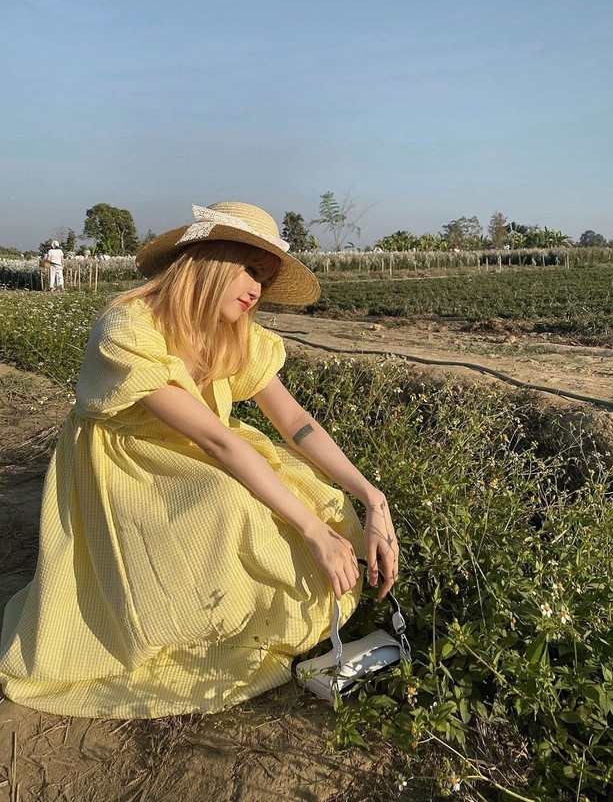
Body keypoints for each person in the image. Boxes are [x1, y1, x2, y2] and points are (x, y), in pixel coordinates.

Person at [0, 201, 399, 719]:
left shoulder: (236, 334)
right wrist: (309, 532)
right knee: (230, 501)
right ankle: (179, 625)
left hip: (197, 453)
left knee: (317, 509)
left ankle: (241, 617)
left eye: (266, 278)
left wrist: (371, 497)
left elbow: (298, 425)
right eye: (251, 269)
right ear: (210, 258)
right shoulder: (129, 328)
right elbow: (218, 444)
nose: (258, 289)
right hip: (126, 466)